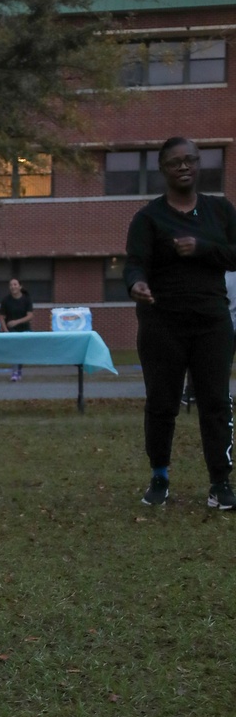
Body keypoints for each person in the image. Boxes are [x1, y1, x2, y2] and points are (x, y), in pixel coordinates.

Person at [125, 137, 236, 509]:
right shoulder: (148, 218)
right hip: (162, 323)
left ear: (199, 163)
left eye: (190, 159)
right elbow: (134, 262)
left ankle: (220, 484)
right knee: (162, 403)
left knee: (215, 402)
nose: (184, 166)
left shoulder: (219, 212)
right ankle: (160, 477)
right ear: (163, 169)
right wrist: (136, 283)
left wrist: (203, 248)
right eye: (176, 162)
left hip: (211, 322)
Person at [0, 276, 33, 381]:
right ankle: (15, 372)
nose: (13, 287)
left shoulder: (27, 299)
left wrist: (16, 322)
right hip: (11, 331)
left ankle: (19, 370)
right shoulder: (6, 300)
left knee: (21, 352)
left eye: (15, 284)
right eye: (11, 285)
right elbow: (1, 316)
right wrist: (5, 330)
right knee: (15, 350)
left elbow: (30, 315)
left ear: (20, 286)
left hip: (24, 329)